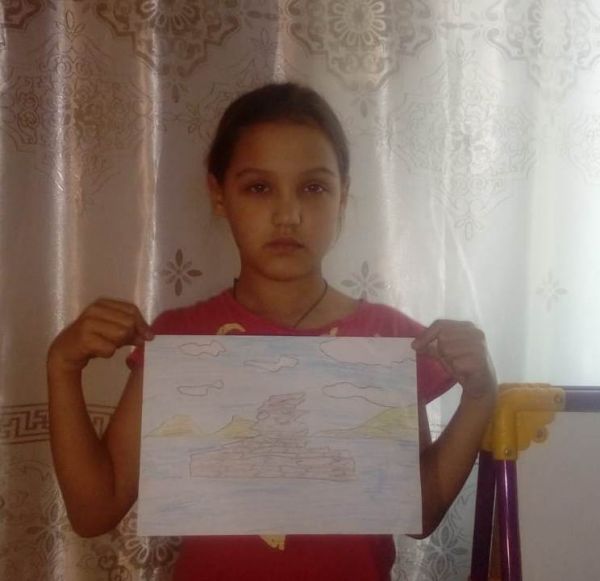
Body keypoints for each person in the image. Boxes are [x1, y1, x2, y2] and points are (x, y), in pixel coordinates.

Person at [47, 82, 497, 580]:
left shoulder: (389, 341)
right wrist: (62, 367)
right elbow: (94, 512)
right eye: (259, 187)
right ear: (219, 194)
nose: (288, 215)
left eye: (314, 187)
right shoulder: (178, 341)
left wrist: (480, 396)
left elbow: (420, 512)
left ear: (343, 196)